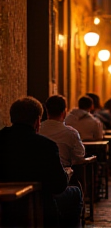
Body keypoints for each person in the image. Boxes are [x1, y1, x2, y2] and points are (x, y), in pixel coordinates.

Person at [0, 96, 82, 228]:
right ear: (38, 121)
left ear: (12, 118)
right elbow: (59, 186)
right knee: (75, 192)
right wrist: (66, 174)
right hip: (40, 205)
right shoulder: (46, 145)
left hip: (4, 207)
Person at [39, 95, 85, 167]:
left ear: (47, 111)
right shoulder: (71, 133)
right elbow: (79, 157)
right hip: (63, 174)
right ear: (64, 112)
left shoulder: (38, 129)